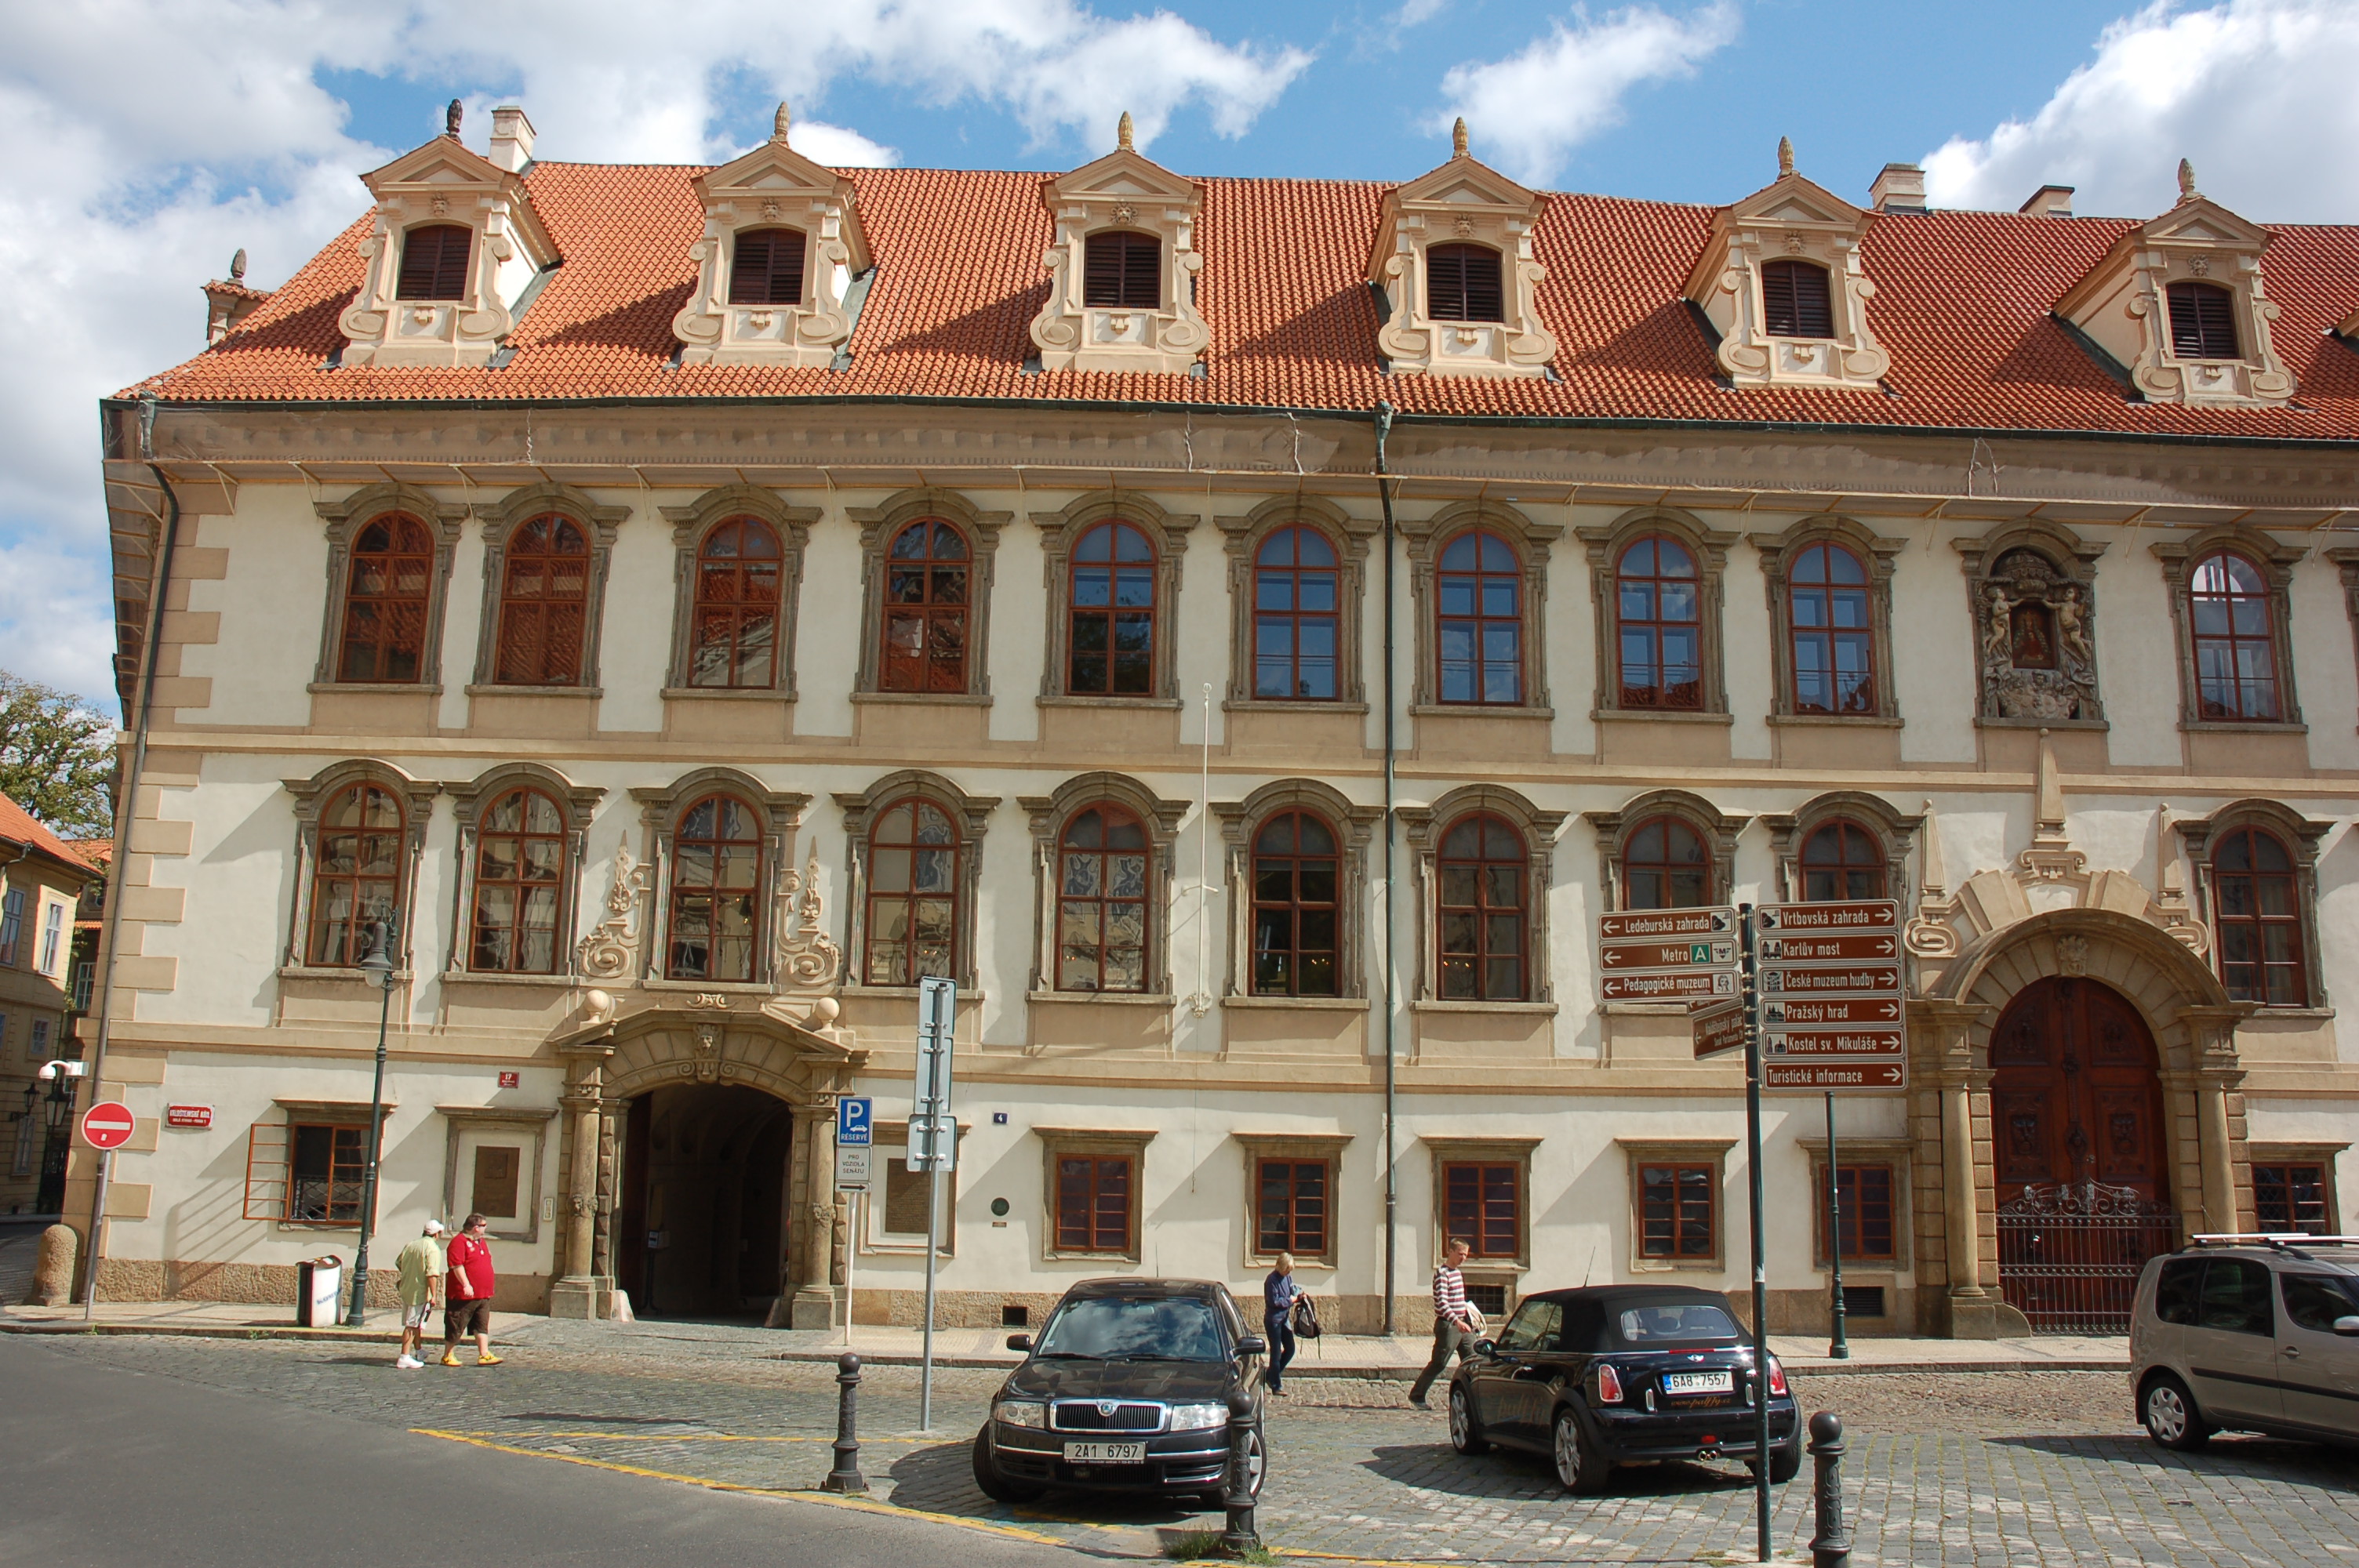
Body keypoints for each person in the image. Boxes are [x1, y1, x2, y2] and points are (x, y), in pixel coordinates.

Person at [1408, 1237, 1475, 1409]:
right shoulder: (1442, 1274)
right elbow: (1442, 1303)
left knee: (1472, 1361)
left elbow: (1459, 1300)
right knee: (1439, 1362)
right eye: (1460, 1254)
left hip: (1463, 1325)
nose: (1463, 1258)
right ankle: (1417, 1395)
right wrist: (1457, 1322)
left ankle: (1473, 1399)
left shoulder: (1457, 1273)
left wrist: (1470, 1318)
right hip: (1449, 1326)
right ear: (1450, 1252)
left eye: (1465, 1255)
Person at [442, 1212, 501, 1367]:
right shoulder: (458, 1242)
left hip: (482, 1294)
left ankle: (484, 1354)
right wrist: (466, 1284)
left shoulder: (481, 1242)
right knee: (457, 1324)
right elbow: (457, 1265)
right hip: (464, 1296)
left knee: (481, 1325)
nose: (485, 1228)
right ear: (476, 1227)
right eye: (484, 1226)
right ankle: (448, 1355)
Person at [393, 1218, 445, 1369]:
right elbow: (432, 1275)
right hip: (420, 1291)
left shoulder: (411, 1245)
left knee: (416, 1323)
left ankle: (418, 1350)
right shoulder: (432, 1249)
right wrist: (434, 1295)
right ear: (437, 1234)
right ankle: (404, 1356)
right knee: (412, 1324)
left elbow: (399, 1262)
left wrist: (410, 1274)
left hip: (407, 1288)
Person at [1262, 1252, 1302, 1395]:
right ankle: (1276, 1385)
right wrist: (1290, 1301)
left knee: (1290, 1349)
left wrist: (1299, 1295)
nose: (1288, 1273)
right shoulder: (1271, 1280)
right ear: (1280, 1266)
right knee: (1276, 1352)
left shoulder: (1287, 1277)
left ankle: (1270, 1375)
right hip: (1273, 1320)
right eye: (1287, 1270)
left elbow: (1292, 1290)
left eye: (1290, 1270)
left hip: (1284, 1319)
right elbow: (1274, 1301)